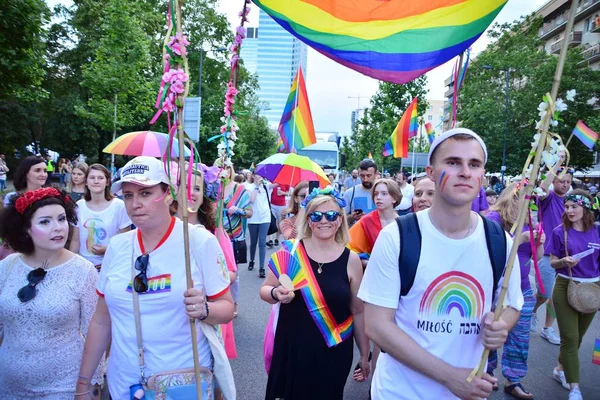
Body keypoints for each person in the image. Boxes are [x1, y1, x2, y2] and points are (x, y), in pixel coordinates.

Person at [358, 128, 523, 400]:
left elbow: (512, 304)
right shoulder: (397, 237)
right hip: (399, 393)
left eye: (474, 164)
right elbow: (377, 326)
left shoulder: (500, 241)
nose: (466, 172)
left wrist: (502, 325)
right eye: (453, 162)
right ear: (431, 172)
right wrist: (450, 378)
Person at [76, 156, 235, 399]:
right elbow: (101, 320)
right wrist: (84, 383)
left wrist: (203, 309)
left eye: (146, 193)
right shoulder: (118, 246)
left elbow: (226, 309)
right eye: (128, 195)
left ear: (169, 194)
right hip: (124, 385)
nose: (135, 204)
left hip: (182, 384)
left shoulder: (199, 241)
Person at [260, 187, 370, 399]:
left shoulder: (352, 260)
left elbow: (358, 311)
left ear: (340, 220)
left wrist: (365, 354)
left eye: (331, 215)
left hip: (334, 350)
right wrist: (276, 293)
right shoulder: (290, 251)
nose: (324, 221)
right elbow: (264, 290)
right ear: (308, 219)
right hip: (293, 347)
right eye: (316, 215)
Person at [0, 187, 103, 399]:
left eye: (62, 219)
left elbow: (94, 332)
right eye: (45, 221)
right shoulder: (7, 267)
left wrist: (90, 384)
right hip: (8, 385)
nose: (58, 228)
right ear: (26, 229)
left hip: (62, 387)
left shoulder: (83, 271)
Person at [486, 183, 545, 399]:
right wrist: (519, 238)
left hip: (523, 290)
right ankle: (487, 372)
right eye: (528, 202)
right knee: (490, 333)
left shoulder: (533, 221)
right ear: (514, 198)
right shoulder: (494, 219)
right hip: (497, 289)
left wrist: (539, 243)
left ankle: (514, 380)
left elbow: (536, 258)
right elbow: (493, 249)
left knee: (520, 338)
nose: (531, 208)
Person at [546, 190, 600, 400]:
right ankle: (575, 389)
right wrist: (563, 262)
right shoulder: (560, 232)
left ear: (585, 208)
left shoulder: (597, 232)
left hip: (592, 290)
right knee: (570, 338)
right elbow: (552, 262)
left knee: (577, 339)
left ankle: (560, 368)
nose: (568, 210)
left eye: (573, 206)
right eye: (566, 207)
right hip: (565, 286)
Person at [533, 165, 572, 345]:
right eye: (561, 181)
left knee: (556, 296)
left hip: (566, 257)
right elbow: (541, 188)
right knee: (544, 292)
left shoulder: (572, 202)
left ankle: (548, 327)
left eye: (567, 182)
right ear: (554, 182)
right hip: (548, 254)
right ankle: (530, 313)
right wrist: (556, 164)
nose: (564, 184)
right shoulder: (548, 198)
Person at [69, 164, 131, 270]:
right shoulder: (79, 206)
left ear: (107, 182)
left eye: (100, 178)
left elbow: (126, 242)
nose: (96, 181)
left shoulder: (119, 206)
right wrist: (69, 265)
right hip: (84, 267)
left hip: (110, 266)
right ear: (86, 182)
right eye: (92, 178)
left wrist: (108, 249)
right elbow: (75, 240)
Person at [348, 178, 401, 268]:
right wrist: (370, 264)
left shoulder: (404, 223)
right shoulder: (366, 222)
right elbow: (349, 250)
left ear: (394, 198)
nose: (378, 197)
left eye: (384, 194)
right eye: (376, 194)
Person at [247, 173, 274, 278]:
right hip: (253, 218)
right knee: (253, 242)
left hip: (265, 217)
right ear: (253, 176)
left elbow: (277, 183)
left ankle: (262, 267)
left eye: (262, 175)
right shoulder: (248, 187)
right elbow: (251, 199)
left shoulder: (266, 186)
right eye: (258, 175)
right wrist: (257, 187)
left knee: (262, 242)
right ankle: (252, 260)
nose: (260, 177)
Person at [344, 159, 378, 226]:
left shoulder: (384, 193)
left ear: (376, 174)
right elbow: (342, 221)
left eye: (369, 176)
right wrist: (352, 217)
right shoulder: (350, 193)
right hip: (357, 234)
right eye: (362, 176)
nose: (365, 179)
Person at [267, 183, 289, 248]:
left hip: (281, 205)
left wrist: (283, 193)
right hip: (272, 204)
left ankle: (277, 238)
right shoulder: (273, 182)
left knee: (280, 223)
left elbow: (289, 193)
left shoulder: (286, 183)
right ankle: (270, 240)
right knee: (271, 221)